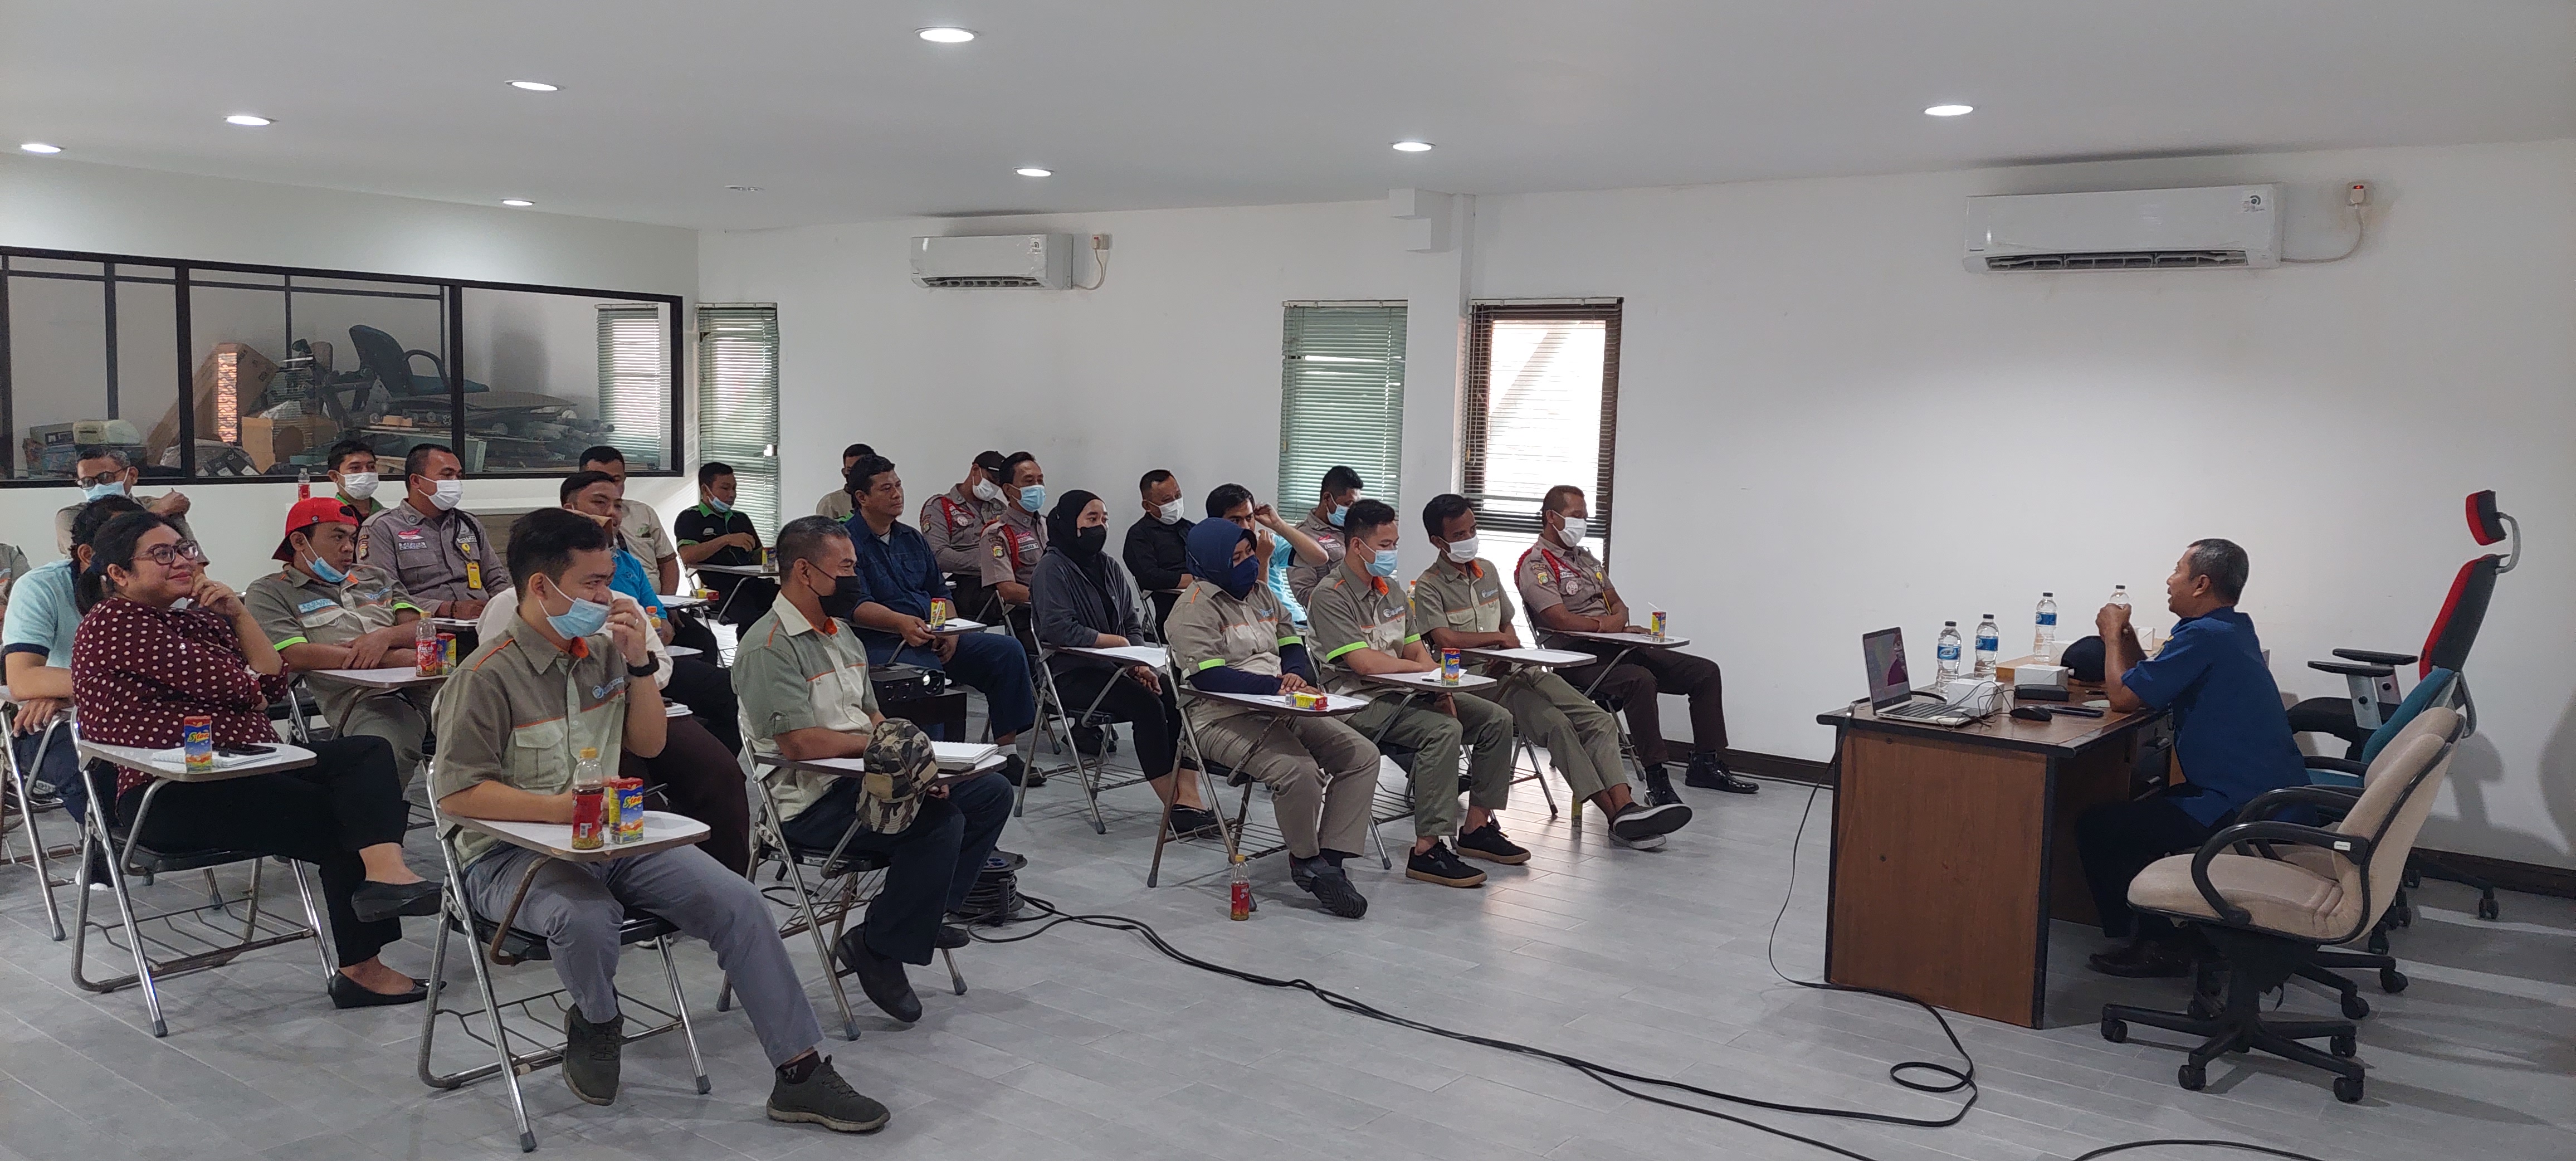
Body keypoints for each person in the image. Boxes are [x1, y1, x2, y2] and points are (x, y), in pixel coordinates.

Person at [431, 509, 884, 1128]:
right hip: (508, 856)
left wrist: (639, 662)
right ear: (541, 587)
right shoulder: (486, 677)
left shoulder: (599, 655)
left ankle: (799, 1071)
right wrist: (557, 811)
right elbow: (458, 795)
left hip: (609, 839)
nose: (608, 597)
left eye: (608, 580)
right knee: (585, 915)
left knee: (740, 902)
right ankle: (596, 1016)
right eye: (592, 583)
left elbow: (645, 743)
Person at [71, 509, 442, 1008]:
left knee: (366, 754)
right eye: (162, 554)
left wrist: (240, 615)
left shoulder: (201, 615)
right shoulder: (116, 622)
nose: (182, 561)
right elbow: (245, 686)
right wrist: (247, 673)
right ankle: (364, 963)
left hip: (248, 766)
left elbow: (270, 680)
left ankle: (386, 875)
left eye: (183, 549)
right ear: (119, 574)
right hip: (173, 793)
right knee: (351, 818)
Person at [734, 515, 1010, 1023]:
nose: (854, 579)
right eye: (845, 568)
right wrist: (886, 753)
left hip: (869, 778)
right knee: (935, 825)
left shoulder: (841, 634)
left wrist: (915, 767)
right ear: (804, 572)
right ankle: (880, 948)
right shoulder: (769, 645)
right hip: (812, 800)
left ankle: (918, 918)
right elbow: (798, 743)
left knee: (989, 793)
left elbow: (872, 714)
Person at [2079, 539, 2309, 978]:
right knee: (2140, 811)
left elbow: (2124, 698)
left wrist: (2110, 637)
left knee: (2101, 827)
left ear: (2201, 583)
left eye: (2177, 570)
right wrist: (2126, 639)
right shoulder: (2229, 629)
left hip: (2241, 803)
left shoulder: (2204, 636)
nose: (2169, 580)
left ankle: (2160, 944)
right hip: (2266, 791)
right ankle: (2169, 930)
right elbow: (2151, 682)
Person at [1413, 495, 1692, 849]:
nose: (1469, 538)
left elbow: (1507, 624)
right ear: (1438, 541)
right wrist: (1498, 640)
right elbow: (1444, 637)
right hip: (1475, 680)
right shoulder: (1429, 585)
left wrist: (1509, 646)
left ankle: (1627, 807)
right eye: (1458, 534)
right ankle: (1617, 816)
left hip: (1515, 667)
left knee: (1597, 719)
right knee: (1557, 726)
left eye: (1472, 529)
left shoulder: (1488, 570)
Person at [1165, 518, 1379, 918]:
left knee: (1361, 755)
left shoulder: (1261, 594)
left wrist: (1295, 674)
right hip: (1220, 716)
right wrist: (1276, 689)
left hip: (1281, 704)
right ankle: (1305, 860)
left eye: (1249, 554)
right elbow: (1210, 676)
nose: (1248, 564)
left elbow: (1290, 642)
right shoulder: (1192, 611)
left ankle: (1329, 861)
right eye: (1236, 558)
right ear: (1210, 563)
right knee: (1299, 772)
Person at [1303, 499, 1517, 888]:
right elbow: (1365, 664)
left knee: (1496, 720)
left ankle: (1476, 827)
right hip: (1356, 701)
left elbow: (1415, 647)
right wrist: (1423, 672)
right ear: (1357, 547)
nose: (1392, 553)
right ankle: (1427, 850)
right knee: (1442, 731)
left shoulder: (1393, 589)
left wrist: (1438, 687)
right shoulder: (1330, 595)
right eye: (1385, 545)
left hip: (1406, 692)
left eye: (1394, 544)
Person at [1515, 484, 1754, 803]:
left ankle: (1705, 765)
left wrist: (1615, 626)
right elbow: (1560, 621)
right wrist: (1607, 626)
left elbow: (1619, 605)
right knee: (1640, 681)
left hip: (1619, 644)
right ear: (1551, 517)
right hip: (1577, 659)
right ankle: (1657, 781)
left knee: (1705, 672)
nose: (1582, 523)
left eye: (1585, 517)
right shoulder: (1536, 565)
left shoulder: (1585, 559)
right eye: (1575, 516)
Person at [1033, 490, 1218, 835]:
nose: (1100, 526)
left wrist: (1138, 664)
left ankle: (1189, 799)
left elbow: (1132, 624)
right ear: (1069, 523)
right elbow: (1058, 630)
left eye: (1104, 519)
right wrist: (1118, 647)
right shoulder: (1051, 568)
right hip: (1073, 674)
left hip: (1119, 668)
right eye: (1091, 519)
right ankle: (1171, 806)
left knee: (1178, 696)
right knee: (1147, 706)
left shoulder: (1108, 565)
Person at [841, 455, 1034, 782]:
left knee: (1007, 653)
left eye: (898, 486)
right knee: (926, 676)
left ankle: (1007, 753)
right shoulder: (847, 543)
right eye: (886, 489)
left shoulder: (912, 539)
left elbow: (940, 593)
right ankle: (933, 763)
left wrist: (951, 632)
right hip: (882, 640)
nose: (897, 494)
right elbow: (856, 606)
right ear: (862, 498)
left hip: (933, 634)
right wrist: (901, 624)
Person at [245, 497, 431, 785]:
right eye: (337, 537)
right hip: (366, 699)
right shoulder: (270, 592)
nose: (348, 547)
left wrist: (382, 638)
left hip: (433, 685)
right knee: (386, 749)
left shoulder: (376, 578)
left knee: (502, 728)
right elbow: (295, 654)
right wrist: (394, 657)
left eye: (352, 538)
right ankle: (378, 828)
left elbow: (420, 628)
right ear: (299, 541)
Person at [562, 472, 741, 755]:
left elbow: (654, 614)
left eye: (618, 505)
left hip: (648, 662)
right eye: (600, 503)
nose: (612, 513)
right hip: (600, 673)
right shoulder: (557, 573)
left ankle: (712, 755)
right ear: (570, 511)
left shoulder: (627, 561)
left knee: (727, 688)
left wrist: (654, 630)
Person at [6, 497, 145, 826]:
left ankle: (147, 847)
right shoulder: (41, 588)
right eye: (129, 546)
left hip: (140, 715)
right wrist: (113, 687)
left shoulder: (157, 585)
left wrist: (64, 687)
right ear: (87, 555)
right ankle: (106, 864)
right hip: (53, 721)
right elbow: (24, 679)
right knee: (93, 775)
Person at [357, 443, 508, 619]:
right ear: (416, 481)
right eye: (447, 475)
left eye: (458, 476)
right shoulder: (383, 528)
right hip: (427, 627)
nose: (456, 483)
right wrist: (449, 609)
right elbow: (383, 594)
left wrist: (504, 606)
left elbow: (497, 580)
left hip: (483, 622)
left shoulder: (468, 523)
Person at [1204, 482, 1327, 623]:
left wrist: (1278, 524)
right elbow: (1257, 605)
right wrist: (1262, 560)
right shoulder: (1214, 555)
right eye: (1235, 520)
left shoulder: (1265, 541)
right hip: (1266, 624)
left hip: (1295, 621)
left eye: (1249, 518)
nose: (1246, 526)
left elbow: (1320, 558)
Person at [675, 462, 778, 627]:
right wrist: (726, 540)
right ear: (705, 490)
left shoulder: (741, 518)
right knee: (752, 615)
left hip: (751, 583)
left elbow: (757, 557)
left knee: (791, 603)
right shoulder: (690, 518)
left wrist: (776, 551)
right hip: (719, 590)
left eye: (734, 488)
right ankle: (748, 651)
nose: (732, 494)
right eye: (725, 488)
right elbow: (688, 556)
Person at [578, 446, 681, 596]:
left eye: (616, 480)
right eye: (599, 479)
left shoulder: (643, 512)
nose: (609, 486)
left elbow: (667, 562)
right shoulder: (571, 524)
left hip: (654, 604)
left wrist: (667, 604)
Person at [55, 445, 193, 557]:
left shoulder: (161, 507)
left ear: (132, 475)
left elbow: (194, 564)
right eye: (87, 482)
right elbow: (102, 559)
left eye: (106, 478)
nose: (97, 486)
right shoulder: (72, 517)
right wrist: (156, 513)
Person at [921, 451, 1008, 623]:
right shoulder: (940, 507)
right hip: (962, 581)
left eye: (999, 485)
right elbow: (938, 556)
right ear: (975, 470)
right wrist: (986, 565)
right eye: (991, 481)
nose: (994, 488)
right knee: (1009, 601)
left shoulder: (999, 508)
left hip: (999, 579)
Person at [978, 450, 1048, 645]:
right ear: (1009, 490)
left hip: (1066, 613)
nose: (1037, 487)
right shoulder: (996, 533)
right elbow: (1008, 590)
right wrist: (1055, 599)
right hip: (1030, 616)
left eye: (1040, 480)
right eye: (1029, 481)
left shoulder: (1051, 526)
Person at [1282, 465, 1366, 609]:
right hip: (1335, 617)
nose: (1352, 510)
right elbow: (1304, 593)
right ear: (1327, 498)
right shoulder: (1303, 537)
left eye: (1356, 504)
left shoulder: (1355, 530)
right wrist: (1347, 600)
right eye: (1348, 504)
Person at [1122, 469, 1194, 632]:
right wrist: (1194, 579)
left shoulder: (1190, 529)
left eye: (1178, 496)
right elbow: (1149, 576)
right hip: (1173, 611)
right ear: (1147, 505)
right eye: (1167, 500)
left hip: (1207, 601)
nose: (1175, 503)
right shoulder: (1139, 535)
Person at [322, 439, 388, 520]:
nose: (366, 472)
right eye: (355, 468)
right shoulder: (327, 519)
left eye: (371, 467)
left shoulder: (389, 517)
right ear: (335, 476)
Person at [815, 443, 875, 521]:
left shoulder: (883, 497)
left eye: (858, 470)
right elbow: (822, 532)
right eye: (850, 470)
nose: (854, 475)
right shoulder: (830, 503)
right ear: (844, 472)